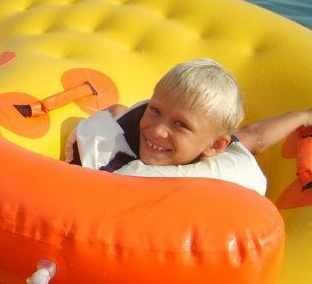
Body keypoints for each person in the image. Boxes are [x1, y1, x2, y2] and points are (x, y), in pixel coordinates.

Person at [66, 58, 312, 195]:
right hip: (132, 149)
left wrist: (302, 117)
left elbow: (254, 136)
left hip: (200, 158)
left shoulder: (219, 169)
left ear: (214, 146)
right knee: (123, 116)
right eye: (155, 110)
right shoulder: (117, 158)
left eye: (181, 125)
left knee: (248, 140)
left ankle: (301, 116)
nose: (158, 130)